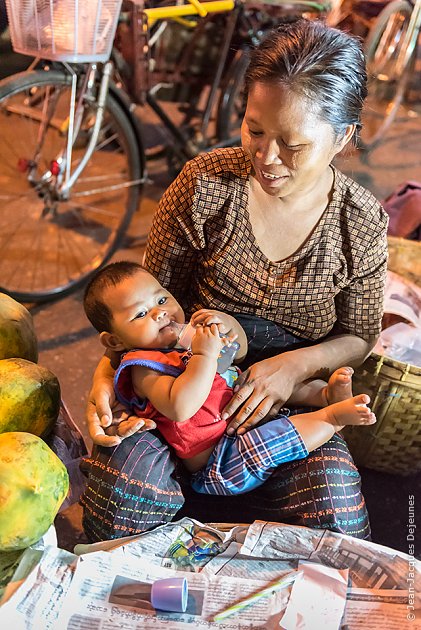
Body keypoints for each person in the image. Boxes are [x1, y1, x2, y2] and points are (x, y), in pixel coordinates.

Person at [81, 20, 388, 543]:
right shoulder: (204, 185)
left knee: (335, 513)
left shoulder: (360, 222)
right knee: (123, 492)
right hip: (176, 397)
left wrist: (291, 369)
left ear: (342, 137)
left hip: (288, 407)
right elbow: (145, 302)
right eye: (255, 129)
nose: (267, 157)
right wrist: (107, 376)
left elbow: (360, 334)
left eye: (293, 144)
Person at [83, 261, 375, 496]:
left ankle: (323, 395)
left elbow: (234, 356)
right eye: (141, 313)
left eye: (161, 299)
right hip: (222, 459)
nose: (161, 313)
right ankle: (332, 418)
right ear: (114, 342)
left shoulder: (181, 338)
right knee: (278, 438)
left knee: (257, 379)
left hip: (236, 409)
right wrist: (204, 357)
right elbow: (180, 407)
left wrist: (227, 329)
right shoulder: (143, 367)